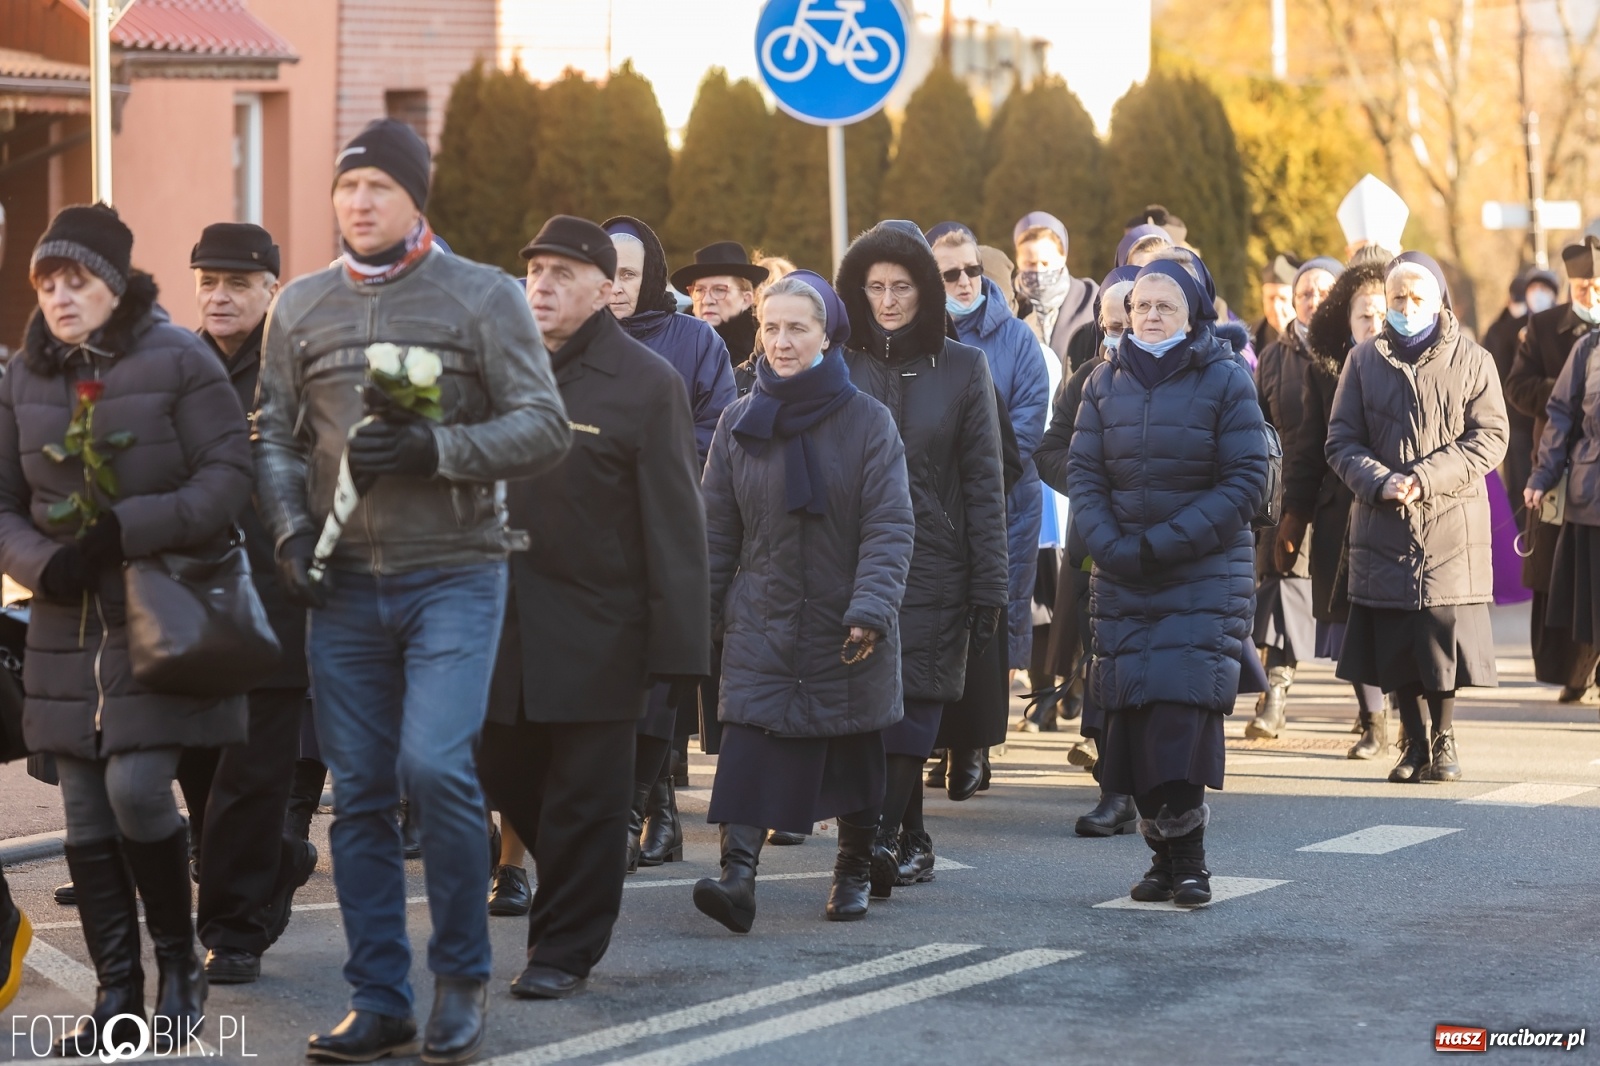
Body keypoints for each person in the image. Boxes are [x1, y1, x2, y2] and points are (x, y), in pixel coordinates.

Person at [254, 119, 572, 1064]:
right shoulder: (301, 306)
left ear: (415, 198)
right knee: (356, 796)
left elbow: (545, 429)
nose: (359, 202)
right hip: (341, 584)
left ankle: (461, 981)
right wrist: (285, 528)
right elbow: (272, 435)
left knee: (436, 770)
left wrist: (439, 448)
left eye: (380, 188)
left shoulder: (483, 297)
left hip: (457, 572)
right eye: (348, 187)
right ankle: (379, 997)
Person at [0, 204, 254, 1053]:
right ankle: (117, 999)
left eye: (77, 280)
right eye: (47, 281)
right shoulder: (24, 377)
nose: (60, 297)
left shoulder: (178, 359)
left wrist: (129, 527)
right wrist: (43, 561)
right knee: (81, 810)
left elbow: (227, 476)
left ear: (114, 284)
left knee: (139, 788)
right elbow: (3, 503)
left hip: (160, 610)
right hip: (65, 625)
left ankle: (179, 963)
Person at [480, 215, 708, 995]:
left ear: (606, 289)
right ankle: (590, 858)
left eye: (561, 274)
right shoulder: (499, 368)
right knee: (500, 770)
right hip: (497, 627)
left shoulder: (646, 383)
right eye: (534, 271)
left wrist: (677, 660)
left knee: (582, 794)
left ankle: (563, 950)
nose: (541, 286)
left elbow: (677, 525)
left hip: (599, 636)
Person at [694, 270, 914, 930]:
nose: (782, 342)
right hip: (762, 614)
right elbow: (715, 530)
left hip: (847, 619)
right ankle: (738, 879)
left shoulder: (868, 421)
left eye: (797, 328)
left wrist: (872, 608)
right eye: (771, 328)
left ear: (827, 335)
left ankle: (851, 869)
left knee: (849, 748)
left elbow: (890, 523)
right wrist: (698, 614)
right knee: (750, 747)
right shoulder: (739, 420)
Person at [1067, 258, 1268, 907]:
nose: (1151, 315)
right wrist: (1112, 545)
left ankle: (1190, 862)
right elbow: (1085, 478)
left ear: (1194, 315)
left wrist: (1161, 544)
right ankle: (1161, 858)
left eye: (1166, 306)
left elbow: (1245, 482)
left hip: (1202, 574)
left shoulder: (1226, 380)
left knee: (1179, 720)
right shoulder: (1102, 383)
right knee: (1130, 724)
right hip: (1124, 576)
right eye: (1142, 305)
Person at [835, 220, 1007, 891]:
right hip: (860, 557)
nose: (887, 299)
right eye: (874, 286)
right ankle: (908, 836)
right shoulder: (840, 361)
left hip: (940, 556)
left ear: (924, 291)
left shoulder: (965, 367)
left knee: (917, 704)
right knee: (875, 709)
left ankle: (875, 838)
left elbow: (985, 481)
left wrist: (991, 584)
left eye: (901, 286)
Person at [173, 223, 318, 984]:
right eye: (207, 282)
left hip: (274, 607)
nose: (220, 296)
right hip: (187, 609)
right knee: (199, 773)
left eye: (236, 283)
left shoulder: (298, 372)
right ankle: (281, 858)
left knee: (248, 777)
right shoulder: (175, 367)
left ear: (271, 290)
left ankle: (230, 933)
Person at [1327, 253, 1508, 785]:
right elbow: (1341, 440)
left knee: (1439, 634)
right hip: (1384, 520)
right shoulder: (1363, 361)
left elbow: (1490, 436)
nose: (1406, 308)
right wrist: (1381, 481)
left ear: (1438, 301)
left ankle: (1444, 737)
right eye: (1397, 298)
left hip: (1450, 521)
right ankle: (1412, 737)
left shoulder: (1474, 359)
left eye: (1417, 298)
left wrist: (1426, 477)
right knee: (1397, 632)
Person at [596, 216, 733, 876]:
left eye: (629, 274)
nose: (617, 287)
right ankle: (659, 813)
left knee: (660, 677)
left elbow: (717, 428)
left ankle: (636, 812)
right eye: (607, 273)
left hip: (671, 530)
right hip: (590, 539)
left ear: (650, 275)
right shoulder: (571, 338)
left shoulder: (693, 340)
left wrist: (649, 471)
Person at [1035, 270, 1144, 836]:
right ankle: (1114, 788)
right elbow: (1049, 450)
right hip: (1093, 547)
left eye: (1128, 325)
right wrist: (1089, 479)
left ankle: (1162, 787)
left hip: (1162, 549)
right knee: (1101, 665)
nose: (1118, 338)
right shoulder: (1084, 380)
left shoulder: (1196, 380)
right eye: (1110, 327)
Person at [929, 222, 1050, 694]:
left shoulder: (1018, 340)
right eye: (950, 274)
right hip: (935, 503)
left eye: (973, 270)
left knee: (997, 612)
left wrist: (973, 481)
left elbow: (1027, 423)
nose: (964, 281)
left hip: (1008, 502)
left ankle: (977, 744)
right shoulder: (921, 338)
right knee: (938, 615)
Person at [1281, 260, 1390, 757]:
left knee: (1401, 618)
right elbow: (1306, 450)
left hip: (1403, 508)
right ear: (1347, 321)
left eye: (1381, 314)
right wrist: (1292, 516)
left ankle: (1413, 716)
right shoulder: (1324, 372)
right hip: (1339, 512)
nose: (1374, 324)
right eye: (1363, 316)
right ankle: (1373, 720)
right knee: (1350, 620)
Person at [1247, 256, 1344, 739]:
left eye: (1324, 292)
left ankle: (1376, 713)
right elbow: (1257, 428)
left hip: (1342, 491)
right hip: (1286, 491)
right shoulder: (1272, 356)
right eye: (1305, 293)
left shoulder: (1353, 350)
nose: (1313, 301)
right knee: (1280, 587)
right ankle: (1276, 695)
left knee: (1350, 599)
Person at [1506, 238, 1600, 700]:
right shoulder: (1542, 327)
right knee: (1559, 575)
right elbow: (1518, 388)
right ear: (1571, 287)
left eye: (1599, 288)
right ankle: (1570, 668)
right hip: (1558, 461)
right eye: (1584, 289)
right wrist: (1569, 387)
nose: (1592, 298)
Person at [1014, 212, 1097, 373]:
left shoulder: (1090, 299)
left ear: (1063, 257)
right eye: (1030, 263)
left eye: (1045, 263)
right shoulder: (1006, 301)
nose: (1038, 270)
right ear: (1018, 260)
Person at [673, 243, 770, 368]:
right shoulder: (670, 346)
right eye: (699, 290)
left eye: (719, 290)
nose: (707, 300)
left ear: (746, 300)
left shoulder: (769, 353)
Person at [1254, 254, 1300, 353]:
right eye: (1270, 298)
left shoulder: (1311, 339)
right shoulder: (1248, 341)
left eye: (1283, 299)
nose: (1276, 307)